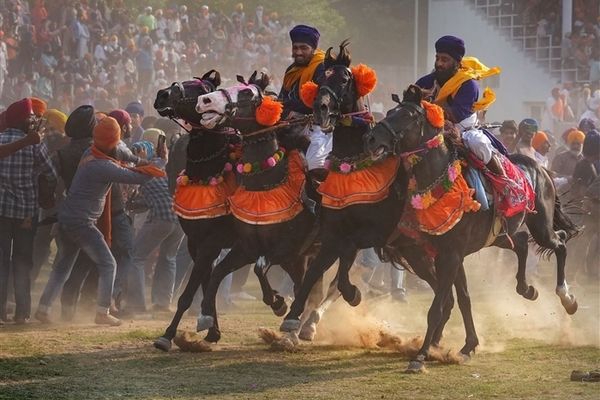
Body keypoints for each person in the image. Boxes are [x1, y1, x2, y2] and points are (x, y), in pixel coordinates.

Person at [34, 117, 166, 326]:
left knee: (62, 267)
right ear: (115, 139)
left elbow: (126, 156)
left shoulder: (91, 152)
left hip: (67, 216)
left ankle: (43, 308)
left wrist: (143, 162)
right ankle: (102, 312)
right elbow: (137, 178)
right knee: (108, 263)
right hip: (81, 222)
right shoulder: (101, 165)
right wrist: (160, 161)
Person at [0, 98, 57, 324]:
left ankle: (0, 312)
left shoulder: (2, 139)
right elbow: (51, 174)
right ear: (24, 120)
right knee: (23, 262)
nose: (34, 120)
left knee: (1, 262)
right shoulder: (36, 144)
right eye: (31, 116)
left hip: (1, 211)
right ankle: (22, 314)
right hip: (26, 213)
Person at [415, 35, 504, 175]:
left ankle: (504, 182)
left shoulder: (468, 84)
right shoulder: (425, 82)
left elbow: (455, 116)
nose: (439, 63)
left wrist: (425, 105)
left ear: (457, 63)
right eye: (437, 58)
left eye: (445, 60)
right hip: (428, 130)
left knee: (478, 143)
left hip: (462, 131)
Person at [278, 25, 329, 176]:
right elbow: (283, 97)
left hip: (317, 124)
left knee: (315, 163)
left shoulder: (323, 67)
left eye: (303, 48)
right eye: (295, 48)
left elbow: (319, 102)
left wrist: (289, 108)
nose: (298, 52)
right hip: (288, 122)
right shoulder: (291, 70)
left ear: (313, 49)